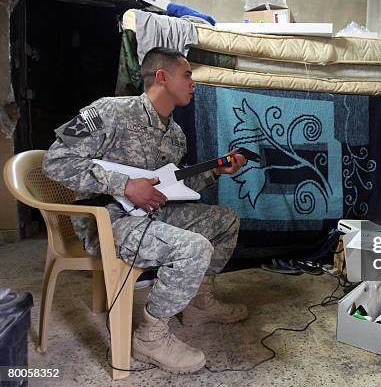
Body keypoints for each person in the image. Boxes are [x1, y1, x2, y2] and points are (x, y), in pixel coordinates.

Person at [43, 47, 248, 374]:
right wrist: (124, 185)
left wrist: (214, 173)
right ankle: (150, 337)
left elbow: (168, 190)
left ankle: (197, 303)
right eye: (188, 74)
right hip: (107, 222)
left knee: (225, 222)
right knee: (193, 248)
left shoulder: (177, 136)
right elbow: (54, 161)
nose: (194, 82)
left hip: (151, 217)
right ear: (162, 77)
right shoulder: (106, 111)